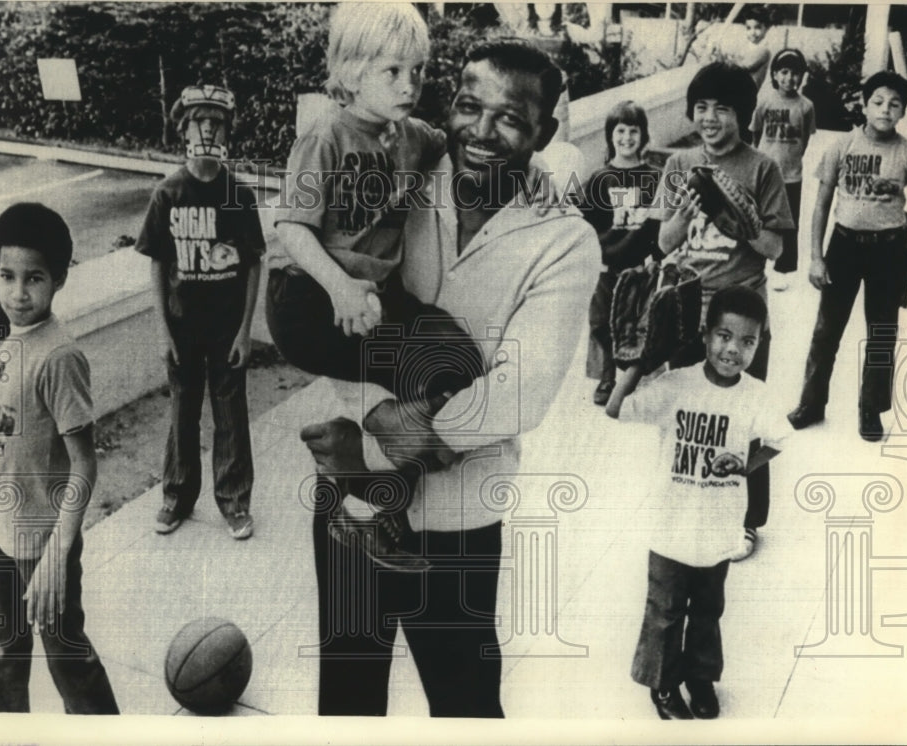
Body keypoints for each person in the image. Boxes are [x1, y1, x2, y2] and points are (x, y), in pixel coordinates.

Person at [296, 38, 599, 716]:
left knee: (466, 705)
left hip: (458, 518)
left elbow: (518, 393)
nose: (482, 132)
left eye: (511, 119)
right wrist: (373, 416)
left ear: (543, 132)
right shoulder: (397, 176)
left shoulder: (566, 239)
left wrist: (369, 445)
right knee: (347, 691)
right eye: (468, 107)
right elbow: (323, 311)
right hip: (350, 503)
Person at [267, 2, 482, 570]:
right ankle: (363, 502)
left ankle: (361, 437)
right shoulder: (325, 138)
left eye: (418, 71)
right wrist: (339, 286)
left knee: (461, 356)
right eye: (393, 71)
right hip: (309, 301)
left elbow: (462, 144)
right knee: (409, 383)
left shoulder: (412, 137)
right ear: (352, 70)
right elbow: (291, 227)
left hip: (375, 301)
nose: (410, 84)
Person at [608, 286, 790, 720]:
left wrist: (745, 464)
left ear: (759, 345)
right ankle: (664, 685)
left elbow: (779, 440)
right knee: (665, 611)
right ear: (706, 335)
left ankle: (700, 676)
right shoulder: (677, 385)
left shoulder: (756, 394)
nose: (734, 349)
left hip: (719, 527)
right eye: (724, 336)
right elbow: (616, 409)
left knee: (708, 610)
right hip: (671, 526)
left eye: (748, 341)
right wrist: (638, 362)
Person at [0, 203, 119, 713]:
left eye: (34, 278)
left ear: (59, 279)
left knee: (66, 655)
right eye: (7, 276)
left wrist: (58, 555)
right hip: (1, 524)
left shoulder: (59, 357)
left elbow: (85, 463)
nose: (18, 293)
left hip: (44, 538)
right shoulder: (0, 331)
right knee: (3, 651)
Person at [652, 61, 794, 561]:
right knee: (687, 419)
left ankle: (749, 520)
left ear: (743, 114)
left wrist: (741, 222)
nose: (709, 118)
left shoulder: (762, 168)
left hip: (741, 314)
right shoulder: (677, 166)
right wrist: (685, 214)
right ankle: (689, 506)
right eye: (701, 107)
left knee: (744, 418)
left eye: (723, 108)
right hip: (688, 309)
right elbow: (665, 241)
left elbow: (776, 248)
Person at [136, 84, 265, 539]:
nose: (207, 127)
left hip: (226, 326)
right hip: (183, 326)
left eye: (216, 120)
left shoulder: (239, 195)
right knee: (182, 411)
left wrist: (246, 331)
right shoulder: (168, 193)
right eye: (198, 120)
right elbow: (157, 264)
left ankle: (234, 501)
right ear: (184, 127)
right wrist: (163, 331)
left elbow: (252, 264)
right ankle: (176, 496)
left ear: (228, 129)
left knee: (231, 414)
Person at [787, 71, 907, 441]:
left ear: (902, 111)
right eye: (878, 101)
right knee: (826, 330)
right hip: (845, 247)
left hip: (890, 251)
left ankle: (871, 409)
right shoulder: (842, 145)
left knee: (882, 333)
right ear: (864, 105)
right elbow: (821, 206)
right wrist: (816, 258)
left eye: (895, 103)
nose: (886, 109)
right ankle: (811, 402)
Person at [579, 100, 661, 406]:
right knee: (601, 323)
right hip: (605, 264)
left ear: (643, 135)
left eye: (634, 131)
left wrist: (657, 258)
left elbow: (659, 224)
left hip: (640, 266)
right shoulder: (600, 179)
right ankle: (607, 375)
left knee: (636, 322)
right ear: (610, 135)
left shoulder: (654, 177)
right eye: (620, 130)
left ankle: (632, 376)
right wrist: (592, 257)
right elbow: (585, 224)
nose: (627, 138)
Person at [750, 48, 816, 290]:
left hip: (791, 176)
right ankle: (753, 262)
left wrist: (793, 160)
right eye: (784, 72)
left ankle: (784, 269)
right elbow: (755, 133)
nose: (790, 78)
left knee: (788, 223)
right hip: (765, 174)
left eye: (796, 73)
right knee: (758, 218)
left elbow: (805, 138)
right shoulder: (765, 101)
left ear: (803, 76)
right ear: (775, 75)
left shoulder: (806, 106)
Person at [739, 6, 772, 91]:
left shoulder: (764, 49)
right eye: (748, 28)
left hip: (749, 90)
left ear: (767, 28)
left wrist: (727, 61)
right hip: (741, 86)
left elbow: (746, 66)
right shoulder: (748, 46)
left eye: (758, 27)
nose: (752, 33)